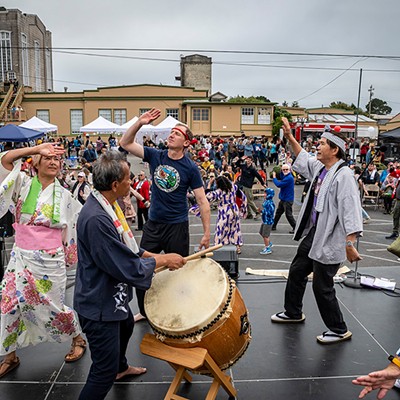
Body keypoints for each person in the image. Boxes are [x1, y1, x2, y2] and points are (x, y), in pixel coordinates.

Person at [74, 150, 185, 400]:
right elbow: (126, 266)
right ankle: (112, 370)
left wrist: (152, 256)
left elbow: (128, 248)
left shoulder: (107, 205)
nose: (131, 183)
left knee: (125, 324)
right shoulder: (96, 219)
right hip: (98, 305)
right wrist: (163, 260)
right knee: (102, 372)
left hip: (111, 298)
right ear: (115, 185)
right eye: (127, 179)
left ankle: (121, 368)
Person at [271, 118, 363, 344]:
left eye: (322, 143)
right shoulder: (322, 168)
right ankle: (293, 312)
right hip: (315, 233)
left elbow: (351, 212)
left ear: (335, 150)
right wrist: (291, 137)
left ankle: (339, 329)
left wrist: (349, 245)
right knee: (297, 271)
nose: (317, 147)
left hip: (332, 237)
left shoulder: (344, 177)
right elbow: (303, 157)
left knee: (323, 286)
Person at [0, 143, 86, 379]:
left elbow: (72, 228)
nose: (52, 162)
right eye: (47, 158)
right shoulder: (23, 184)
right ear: (35, 163)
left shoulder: (66, 195)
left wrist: (70, 257)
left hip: (50, 259)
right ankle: (10, 355)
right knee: (9, 304)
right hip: (21, 256)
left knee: (54, 306)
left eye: (57, 159)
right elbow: (5, 161)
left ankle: (78, 338)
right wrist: (36, 148)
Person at [119, 108, 210, 322]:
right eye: (172, 131)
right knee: (142, 268)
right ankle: (144, 310)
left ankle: (177, 311)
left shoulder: (190, 168)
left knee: (177, 272)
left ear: (186, 143)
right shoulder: (156, 155)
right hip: (154, 224)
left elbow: (202, 201)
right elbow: (125, 143)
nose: (171, 134)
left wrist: (206, 233)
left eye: (177, 133)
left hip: (177, 227)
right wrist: (140, 123)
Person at [192, 175, 247, 254]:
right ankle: (238, 247)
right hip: (234, 209)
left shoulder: (219, 191)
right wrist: (243, 208)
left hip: (225, 211)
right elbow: (241, 195)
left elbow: (207, 197)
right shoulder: (234, 187)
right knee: (235, 229)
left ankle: (216, 245)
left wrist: (209, 185)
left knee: (220, 229)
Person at [271, 164, 296, 234]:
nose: (285, 171)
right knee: (278, 213)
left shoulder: (289, 178)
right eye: (283, 170)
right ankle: (273, 225)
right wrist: (279, 169)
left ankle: (295, 227)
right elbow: (282, 175)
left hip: (288, 199)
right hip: (283, 198)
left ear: (289, 170)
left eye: (286, 169)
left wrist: (274, 177)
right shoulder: (286, 176)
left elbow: (279, 184)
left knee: (288, 214)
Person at [260, 187, 275, 255]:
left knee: (265, 235)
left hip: (268, 221)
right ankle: (268, 243)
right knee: (261, 233)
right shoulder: (266, 202)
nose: (264, 194)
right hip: (265, 220)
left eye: (265, 193)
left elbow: (270, 212)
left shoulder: (270, 203)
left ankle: (267, 248)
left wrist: (263, 212)